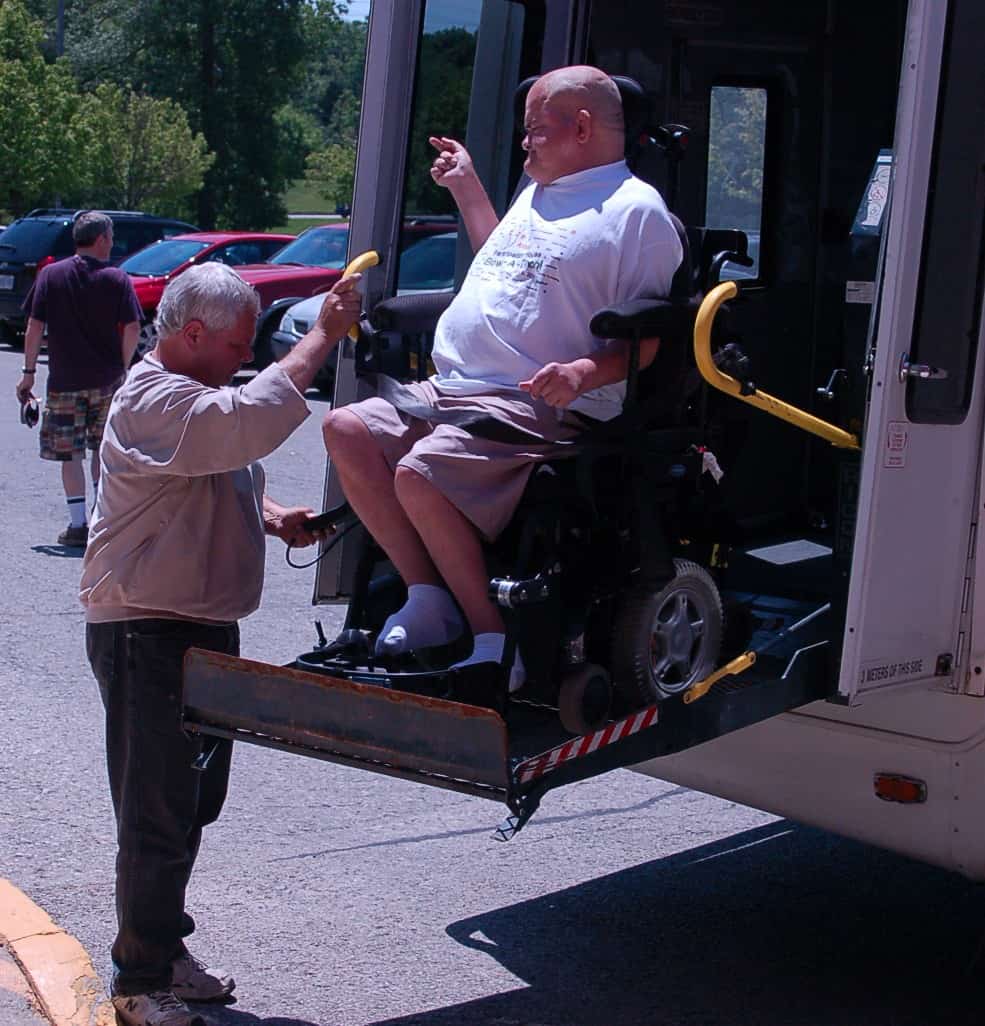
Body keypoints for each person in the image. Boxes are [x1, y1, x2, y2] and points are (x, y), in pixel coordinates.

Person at [323, 65, 683, 689]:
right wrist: (467, 189)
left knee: (420, 471)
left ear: (582, 127)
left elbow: (650, 336)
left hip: (538, 401)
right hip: (457, 389)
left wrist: (582, 371)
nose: (525, 143)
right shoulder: (539, 190)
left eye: (534, 131)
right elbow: (500, 262)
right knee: (345, 429)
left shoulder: (636, 214)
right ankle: (427, 594)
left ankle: (493, 641)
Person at [81, 262, 362, 1026]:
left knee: (192, 802)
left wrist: (269, 515)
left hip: (196, 625)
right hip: (149, 627)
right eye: (239, 345)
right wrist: (321, 340)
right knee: (156, 809)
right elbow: (240, 424)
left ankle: (164, 950)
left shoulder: (190, 401)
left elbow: (221, 460)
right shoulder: (153, 395)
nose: (246, 358)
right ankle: (139, 982)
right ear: (193, 335)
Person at [16, 210, 142, 548]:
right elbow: (132, 327)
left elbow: (34, 326)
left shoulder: (51, 275)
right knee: (104, 450)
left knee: (70, 453)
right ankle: (104, 523)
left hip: (64, 381)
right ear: (101, 239)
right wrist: (124, 366)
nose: (112, 244)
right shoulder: (116, 279)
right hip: (107, 381)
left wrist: (28, 373)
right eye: (111, 238)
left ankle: (77, 525)